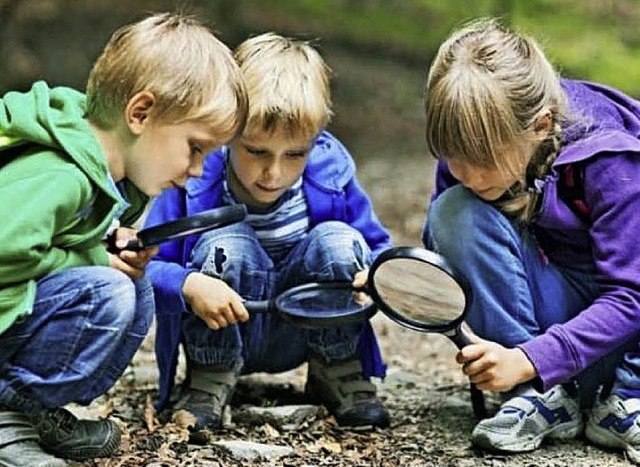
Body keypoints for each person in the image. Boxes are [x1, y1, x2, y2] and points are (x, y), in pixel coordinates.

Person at [0, 11, 247, 466]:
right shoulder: (62, 174)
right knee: (107, 291)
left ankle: (27, 411)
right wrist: (91, 256)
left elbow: (58, 239)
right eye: (195, 148)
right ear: (141, 113)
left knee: (136, 287)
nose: (196, 172)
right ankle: (8, 410)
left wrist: (110, 241)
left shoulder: (110, 181)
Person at [145, 32, 392, 434]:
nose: (273, 173)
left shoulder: (330, 174)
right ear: (228, 132)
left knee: (339, 240)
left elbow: (379, 248)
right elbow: (146, 269)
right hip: (225, 324)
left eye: (295, 154)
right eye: (256, 151)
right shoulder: (194, 180)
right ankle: (210, 377)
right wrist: (188, 284)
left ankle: (335, 368)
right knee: (228, 242)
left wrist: (377, 276)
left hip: (305, 327)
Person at [422, 18, 640, 463]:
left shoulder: (609, 159)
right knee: (454, 212)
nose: (462, 172)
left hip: (625, 335)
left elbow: (632, 297)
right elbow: (451, 253)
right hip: (562, 318)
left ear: (541, 125)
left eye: (480, 159)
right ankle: (541, 398)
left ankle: (624, 400)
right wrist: (407, 284)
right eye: (451, 155)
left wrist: (532, 357)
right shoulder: (470, 158)